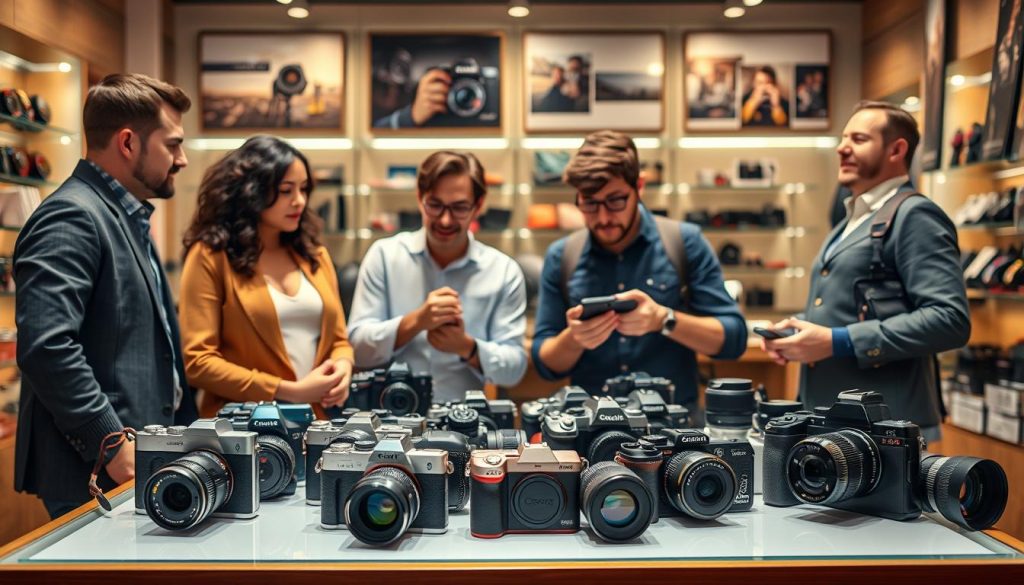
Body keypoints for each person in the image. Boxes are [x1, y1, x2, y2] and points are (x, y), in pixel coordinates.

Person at [13, 73, 197, 519]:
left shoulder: (124, 214)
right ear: (129, 143)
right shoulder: (72, 215)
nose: (183, 159)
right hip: (96, 473)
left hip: (138, 464)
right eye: (172, 145)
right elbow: (47, 346)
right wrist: (110, 442)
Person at [762, 101, 971, 442]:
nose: (842, 148)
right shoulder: (851, 221)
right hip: (839, 423)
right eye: (843, 138)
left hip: (887, 431)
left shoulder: (915, 216)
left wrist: (836, 341)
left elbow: (949, 320)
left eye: (858, 139)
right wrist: (797, 332)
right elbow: (849, 307)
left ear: (896, 149)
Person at [532, 130, 747, 416]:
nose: (604, 217)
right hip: (592, 426)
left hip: (672, 427)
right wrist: (574, 339)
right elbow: (544, 362)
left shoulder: (684, 242)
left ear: (640, 186)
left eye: (616, 200)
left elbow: (733, 339)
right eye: (590, 203)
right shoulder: (562, 256)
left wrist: (664, 320)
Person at [179, 135, 354, 419]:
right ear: (251, 191)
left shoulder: (315, 255)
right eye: (286, 191)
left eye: (304, 189)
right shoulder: (211, 256)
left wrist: (343, 366)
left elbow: (339, 340)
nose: (299, 200)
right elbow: (199, 361)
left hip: (318, 423)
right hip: (242, 426)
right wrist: (288, 390)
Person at [347, 151, 527, 403]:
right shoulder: (384, 257)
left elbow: (514, 370)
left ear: (479, 204)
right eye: (435, 205)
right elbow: (357, 349)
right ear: (420, 199)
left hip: (466, 421)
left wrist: (466, 347)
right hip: (391, 421)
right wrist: (416, 321)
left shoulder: (504, 271)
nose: (445, 219)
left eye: (459, 207)